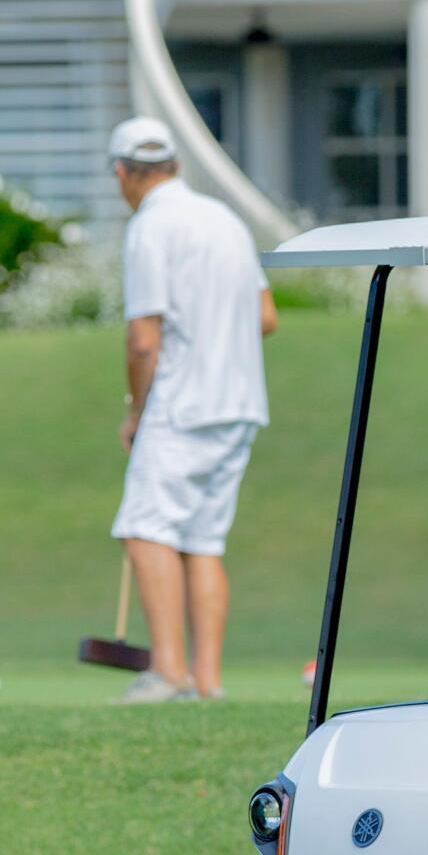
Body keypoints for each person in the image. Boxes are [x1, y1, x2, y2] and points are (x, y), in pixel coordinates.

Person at [108, 117, 275, 703]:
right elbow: (266, 318)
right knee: (202, 541)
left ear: (123, 173)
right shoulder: (224, 219)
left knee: (144, 530)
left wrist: (135, 409)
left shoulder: (149, 227)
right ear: (175, 164)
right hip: (240, 401)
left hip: (183, 401)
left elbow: (143, 339)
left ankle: (168, 672)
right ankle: (206, 681)